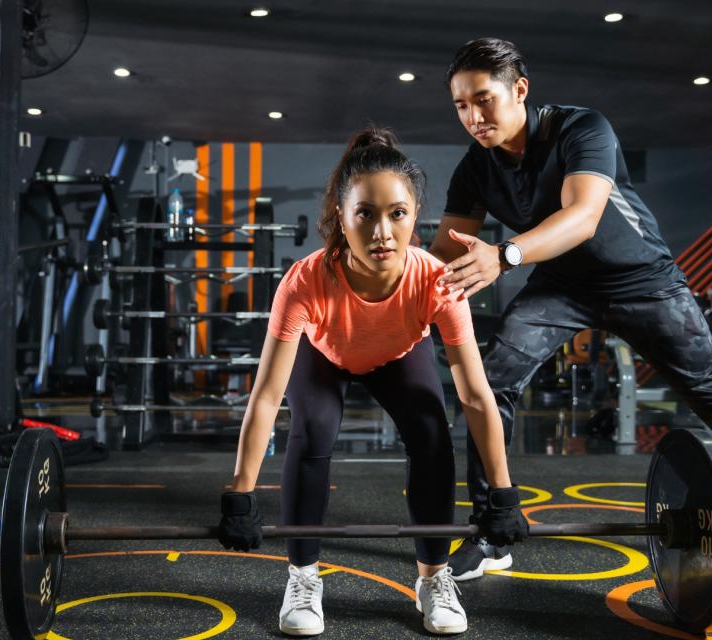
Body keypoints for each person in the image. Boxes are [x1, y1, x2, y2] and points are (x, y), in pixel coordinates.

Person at [428, 37, 712, 582]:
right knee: (489, 382)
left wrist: (503, 255)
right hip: (560, 286)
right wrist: (379, 277)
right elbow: (443, 254)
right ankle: (493, 528)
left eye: (483, 100)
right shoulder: (475, 168)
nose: (473, 116)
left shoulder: (582, 128)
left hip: (642, 280)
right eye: (461, 105)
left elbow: (583, 217)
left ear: (519, 90)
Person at [217, 127, 528, 636]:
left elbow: (475, 395)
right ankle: (303, 577)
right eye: (365, 214)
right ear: (342, 217)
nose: (383, 231)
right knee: (312, 430)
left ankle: (433, 577)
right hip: (325, 354)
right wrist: (241, 493)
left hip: (397, 355)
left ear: (415, 215)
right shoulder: (305, 281)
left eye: (397, 213)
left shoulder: (437, 282)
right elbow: (268, 395)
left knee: (431, 432)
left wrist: (503, 492)